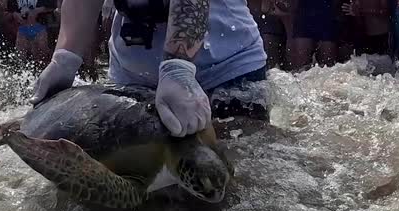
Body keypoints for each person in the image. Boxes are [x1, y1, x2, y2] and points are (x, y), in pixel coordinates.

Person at [29, 0, 268, 138]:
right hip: (131, 71)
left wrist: (178, 67)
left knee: (228, 179)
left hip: (226, 65)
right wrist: (65, 58)